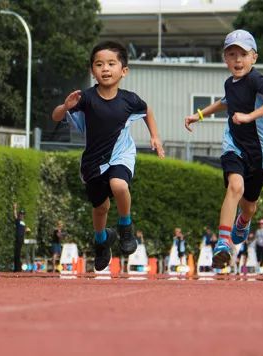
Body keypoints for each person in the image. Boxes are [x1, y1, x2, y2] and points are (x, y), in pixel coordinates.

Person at [51, 41, 165, 271]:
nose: (105, 68)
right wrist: (65, 107)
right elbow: (55, 117)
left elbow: (147, 111)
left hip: (121, 154)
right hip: (93, 162)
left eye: (111, 64)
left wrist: (155, 136)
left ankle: (125, 226)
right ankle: (102, 241)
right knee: (100, 208)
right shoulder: (85, 98)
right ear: (92, 70)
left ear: (123, 71)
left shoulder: (129, 100)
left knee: (119, 185)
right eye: (99, 64)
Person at [184, 29, 263, 270]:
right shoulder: (230, 83)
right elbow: (226, 102)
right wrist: (199, 115)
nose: (237, 60)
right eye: (232, 54)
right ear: (225, 59)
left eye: (243, 54)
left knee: (249, 206)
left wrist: (251, 116)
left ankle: (244, 221)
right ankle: (222, 242)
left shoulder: (256, 80)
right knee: (235, 186)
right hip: (234, 146)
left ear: (254, 58)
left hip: (261, 153)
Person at [13, 203, 29, 272]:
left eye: (23, 214)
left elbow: (24, 229)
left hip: (21, 239)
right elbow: (15, 216)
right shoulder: (18, 220)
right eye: (21, 214)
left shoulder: (23, 222)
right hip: (18, 238)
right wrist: (14, 208)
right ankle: (17, 268)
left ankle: (18, 268)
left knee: (18, 253)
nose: (22, 215)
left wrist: (27, 230)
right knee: (17, 253)